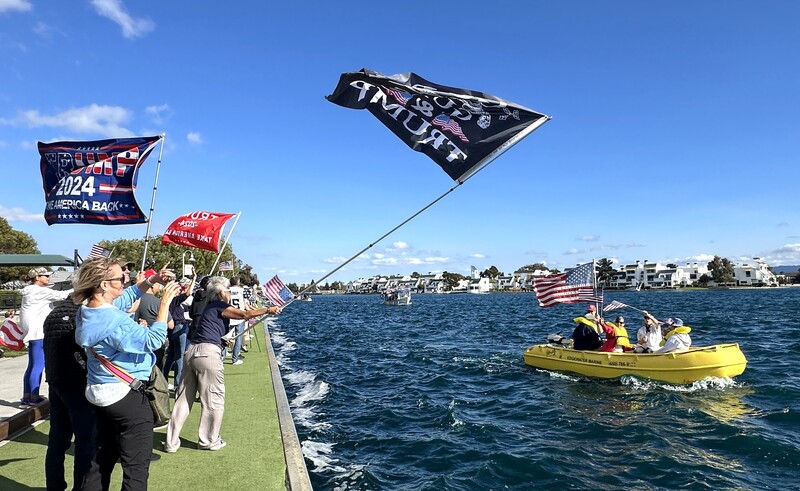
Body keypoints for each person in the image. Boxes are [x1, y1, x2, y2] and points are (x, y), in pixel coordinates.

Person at [74, 257, 179, 490]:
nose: (125, 280)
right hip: (126, 395)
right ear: (103, 284)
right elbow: (153, 340)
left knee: (101, 458)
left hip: (99, 391)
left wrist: (153, 280)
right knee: (136, 467)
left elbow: (129, 296)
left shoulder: (87, 310)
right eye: (120, 277)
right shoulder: (115, 319)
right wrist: (164, 307)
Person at [164, 276, 281, 453]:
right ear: (220, 293)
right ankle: (209, 440)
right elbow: (244, 315)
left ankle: (171, 442)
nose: (229, 294)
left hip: (192, 351)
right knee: (213, 399)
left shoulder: (209, 308)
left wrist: (220, 340)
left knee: (183, 399)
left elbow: (207, 331)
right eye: (227, 291)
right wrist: (268, 310)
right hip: (208, 355)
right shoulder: (219, 306)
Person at [43, 295, 96, 490]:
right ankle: (80, 486)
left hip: (55, 380)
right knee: (85, 441)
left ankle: (54, 485)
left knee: (57, 440)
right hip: (76, 381)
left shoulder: (52, 314)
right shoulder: (81, 314)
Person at [20, 267, 73, 406]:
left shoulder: (30, 291)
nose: (48, 277)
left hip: (32, 332)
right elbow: (62, 295)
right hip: (38, 332)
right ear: (37, 277)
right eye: (45, 275)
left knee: (32, 365)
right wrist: (79, 287)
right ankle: (34, 397)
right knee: (38, 365)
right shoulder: (39, 291)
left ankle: (27, 395)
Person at [134, 269, 175, 372]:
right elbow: (171, 325)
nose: (159, 287)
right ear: (152, 285)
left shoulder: (134, 299)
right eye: (158, 284)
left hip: (135, 344)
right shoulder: (158, 303)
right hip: (154, 345)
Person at [163, 276, 195, 390]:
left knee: (171, 356)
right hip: (179, 327)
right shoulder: (174, 300)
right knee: (179, 356)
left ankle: (163, 379)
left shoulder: (165, 301)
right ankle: (178, 383)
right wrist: (194, 279)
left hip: (171, 329)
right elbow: (187, 294)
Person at [227, 276, 250, 365]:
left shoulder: (227, 290)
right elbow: (245, 302)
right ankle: (235, 358)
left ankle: (222, 355)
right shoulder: (242, 290)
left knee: (225, 337)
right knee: (238, 337)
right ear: (238, 282)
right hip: (239, 316)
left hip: (229, 315)